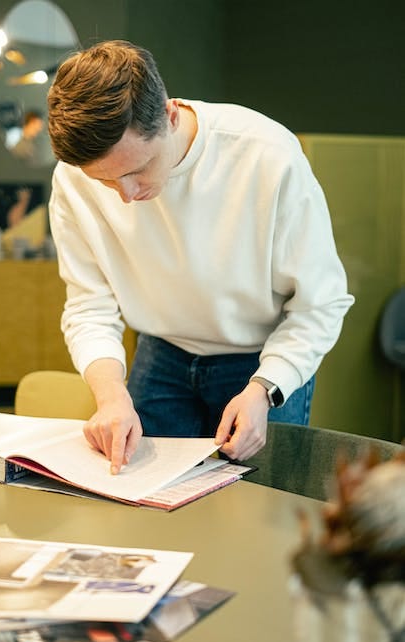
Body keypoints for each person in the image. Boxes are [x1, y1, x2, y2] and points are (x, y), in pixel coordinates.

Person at [47, 40, 354, 475]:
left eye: (137, 170)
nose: (127, 196)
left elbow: (319, 304)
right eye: (106, 182)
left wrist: (264, 389)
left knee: (257, 515)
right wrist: (110, 395)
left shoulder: (267, 156)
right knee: (144, 502)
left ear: (170, 115)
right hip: (161, 353)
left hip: (260, 361)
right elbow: (88, 305)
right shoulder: (75, 177)